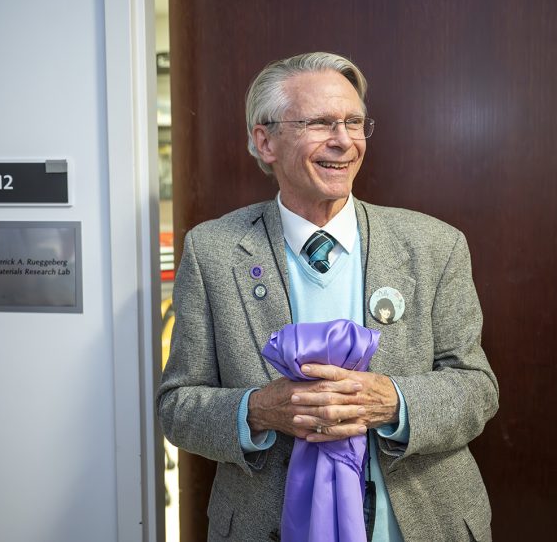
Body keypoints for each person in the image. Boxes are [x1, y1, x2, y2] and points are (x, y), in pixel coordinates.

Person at [157, 52, 499, 541]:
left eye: (354, 122)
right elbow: (178, 406)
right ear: (265, 140)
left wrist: (394, 401)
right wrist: (256, 410)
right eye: (320, 122)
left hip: (418, 523)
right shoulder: (213, 251)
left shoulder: (434, 245)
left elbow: (477, 387)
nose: (344, 141)